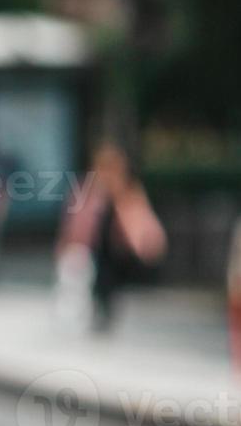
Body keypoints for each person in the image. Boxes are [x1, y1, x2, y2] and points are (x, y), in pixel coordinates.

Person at [57, 142, 167, 332]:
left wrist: (145, 243)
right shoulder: (89, 188)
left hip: (114, 252)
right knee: (86, 288)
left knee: (107, 288)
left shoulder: (125, 190)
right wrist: (66, 244)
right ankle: (92, 318)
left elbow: (139, 218)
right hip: (90, 250)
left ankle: (102, 317)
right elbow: (75, 221)